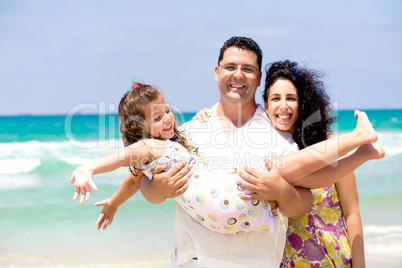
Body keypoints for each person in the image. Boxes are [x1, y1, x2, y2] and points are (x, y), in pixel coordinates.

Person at [134, 37, 382, 267]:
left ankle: (361, 145)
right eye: (230, 67)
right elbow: (144, 183)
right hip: (192, 258)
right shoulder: (188, 131)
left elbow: (303, 203)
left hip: (257, 261)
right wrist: (156, 189)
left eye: (248, 69)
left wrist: (281, 192)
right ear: (216, 72)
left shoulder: (281, 137)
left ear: (259, 77)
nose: (238, 75)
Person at [194, 59, 384, 267]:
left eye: (291, 98)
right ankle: (363, 146)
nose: (283, 106)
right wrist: (210, 115)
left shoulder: (332, 147)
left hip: (335, 257)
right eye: (276, 98)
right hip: (289, 262)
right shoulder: (264, 148)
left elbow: (352, 213)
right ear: (265, 106)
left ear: (301, 104)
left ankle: (363, 143)